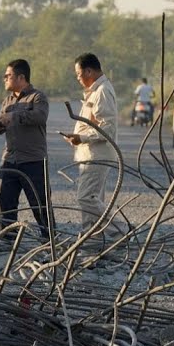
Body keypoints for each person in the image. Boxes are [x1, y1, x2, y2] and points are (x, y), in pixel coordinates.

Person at [0, 59, 52, 242]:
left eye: (8, 75)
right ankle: (8, 240)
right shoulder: (7, 101)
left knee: (40, 204)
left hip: (33, 160)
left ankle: (50, 241)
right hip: (10, 159)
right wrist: (0, 122)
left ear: (21, 77)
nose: (4, 79)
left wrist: (15, 116)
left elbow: (40, 117)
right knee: (4, 201)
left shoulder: (37, 97)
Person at [61, 53, 119, 237]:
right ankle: (92, 241)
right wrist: (78, 137)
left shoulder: (102, 91)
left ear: (89, 71)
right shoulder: (95, 91)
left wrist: (82, 138)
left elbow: (106, 129)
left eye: (79, 74)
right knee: (93, 200)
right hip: (89, 154)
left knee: (86, 198)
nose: (78, 78)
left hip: (97, 155)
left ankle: (119, 232)